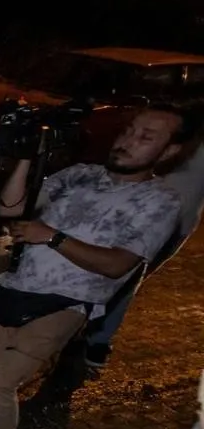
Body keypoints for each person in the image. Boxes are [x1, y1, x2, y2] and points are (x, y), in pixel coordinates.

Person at [0, 107, 186, 429]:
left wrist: (52, 236)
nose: (127, 141)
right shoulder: (81, 175)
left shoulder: (158, 201)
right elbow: (9, 209)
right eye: (129, 130)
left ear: (170, 151)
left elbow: (117, 265)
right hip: (15, 288)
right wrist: (26, 158)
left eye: (146, 137)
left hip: (65, 303)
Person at [81, 134, 204, 371]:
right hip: (168, 217)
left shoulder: (178, 127)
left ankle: (87, 333)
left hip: (150, 211)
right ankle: (93, 338)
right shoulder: (180, 131)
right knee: (123, 279)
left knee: (116, 274)